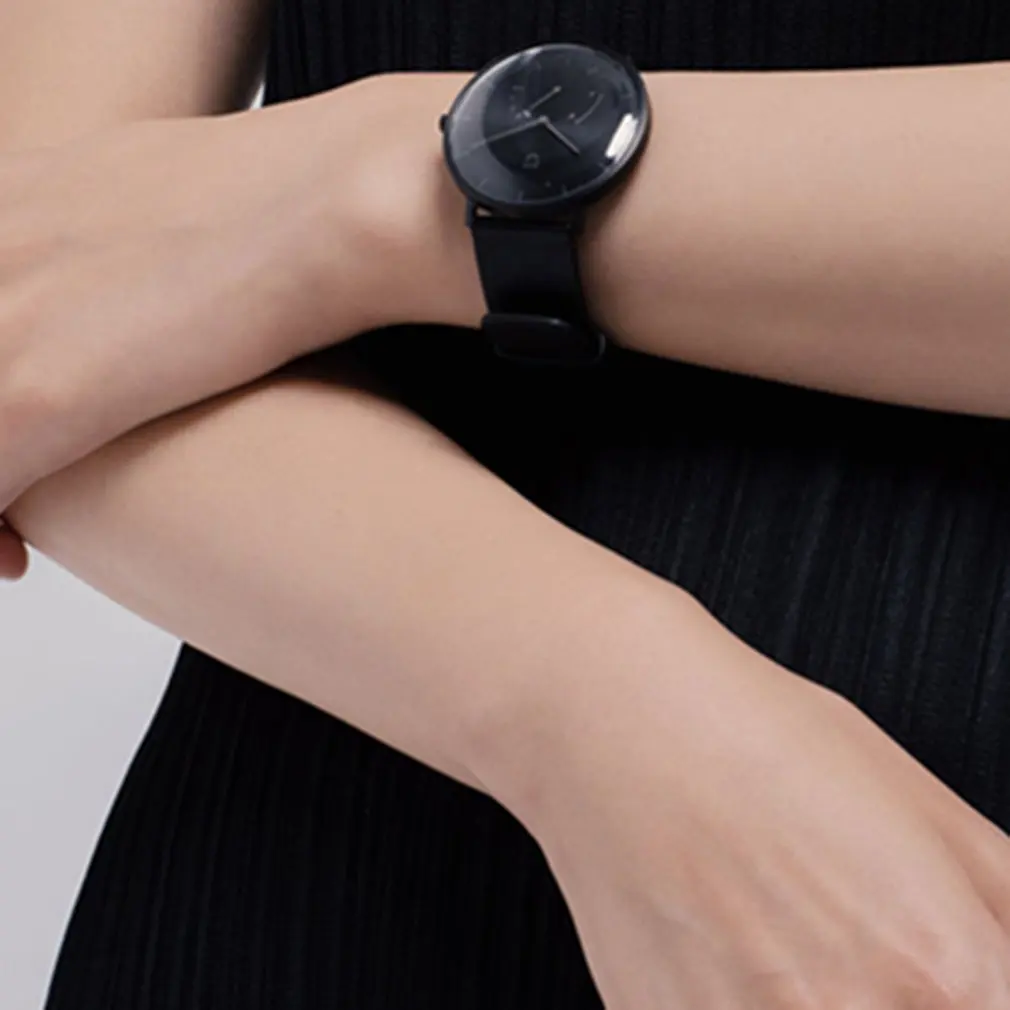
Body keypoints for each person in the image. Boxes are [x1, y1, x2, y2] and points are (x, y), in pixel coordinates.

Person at [5, 0, 1010, 1007]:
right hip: (301, 886)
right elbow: (37, 273)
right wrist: (601, 706)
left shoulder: (357, 181)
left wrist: (372, 184)